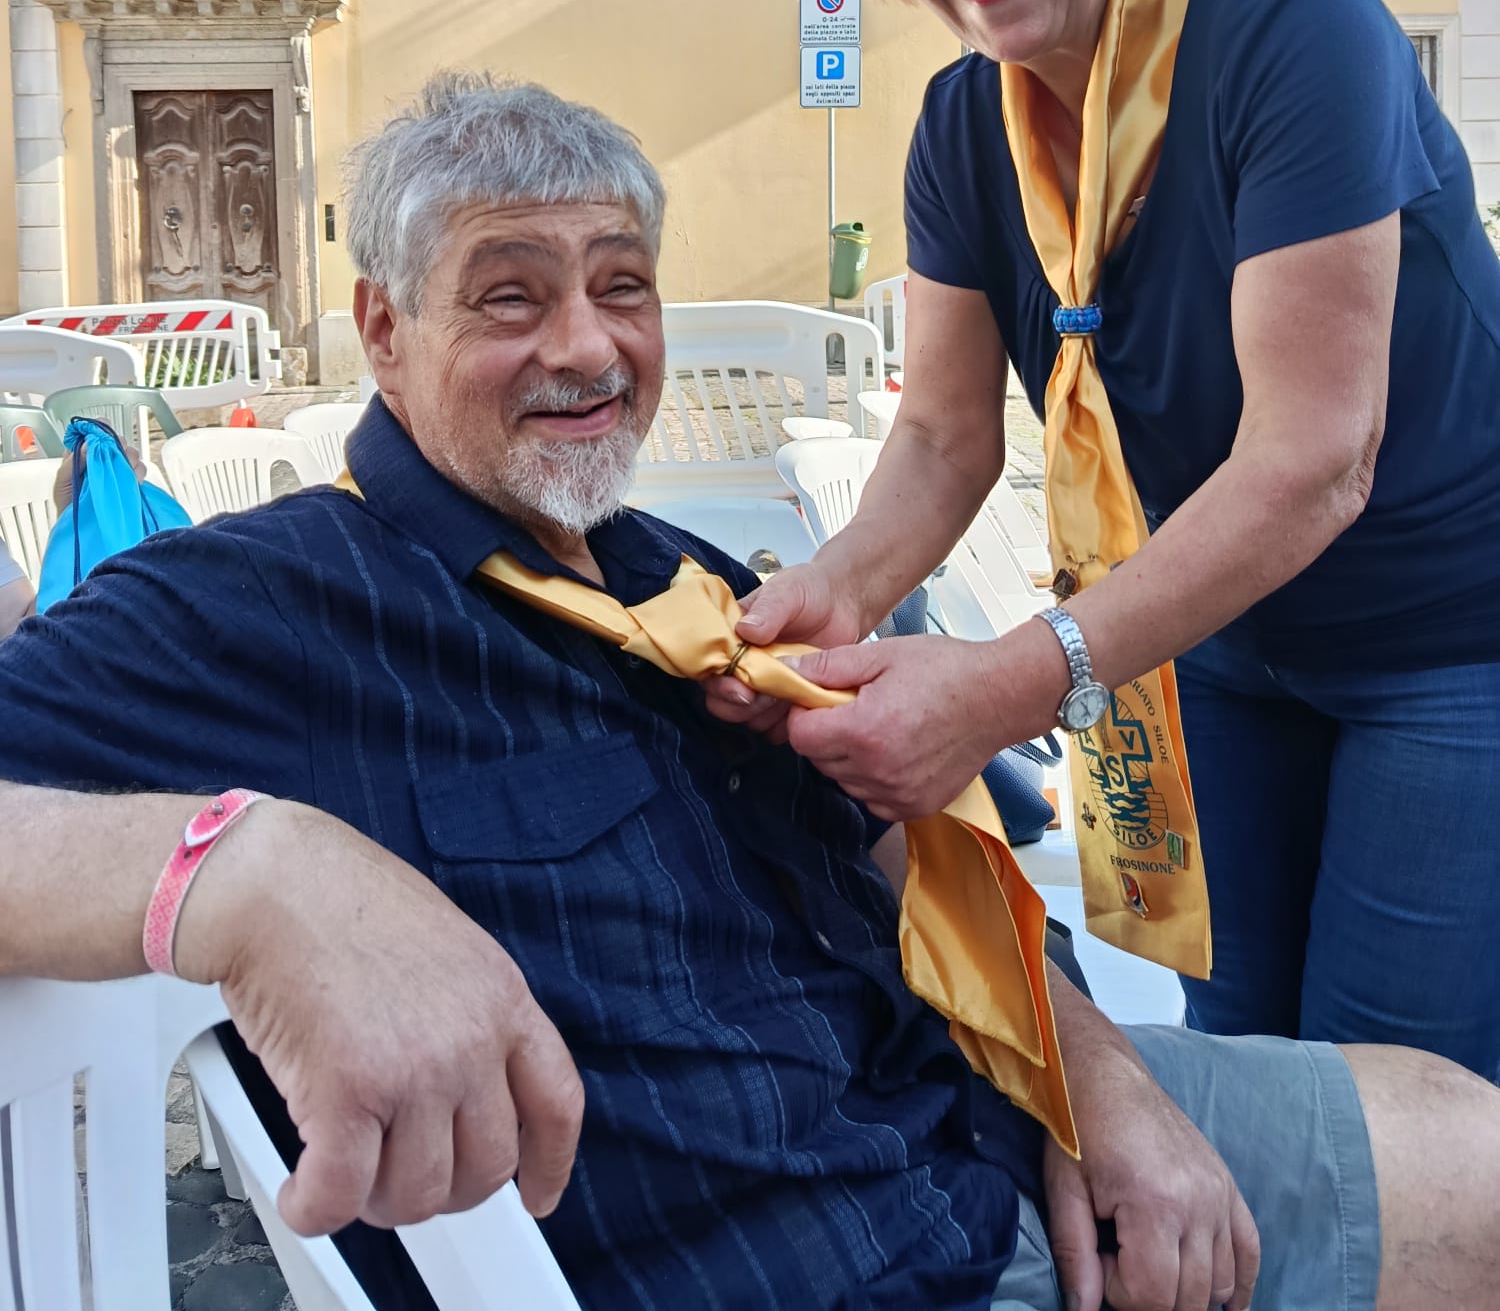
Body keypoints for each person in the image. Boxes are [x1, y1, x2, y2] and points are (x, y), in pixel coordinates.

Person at [0, 75, 1496, 1311]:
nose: (586, 347)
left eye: (623, 288)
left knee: (1471, 1143)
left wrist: (1096, 1095)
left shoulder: (683, 580)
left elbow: (911, 856)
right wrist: (245, 869)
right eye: (508, 298)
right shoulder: (261, 605)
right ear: (384, 330)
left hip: (987, 1125)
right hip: (846, 1261)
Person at [717, 0, 1500, 1082]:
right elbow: (945, 440)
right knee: (1244, 1067)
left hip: (1450, 639)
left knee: (1399, 1099)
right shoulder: (963, 126)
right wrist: (824, 598)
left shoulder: (1296, 32)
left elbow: (1314, 460)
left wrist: (1008, 684)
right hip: (1216, 648)